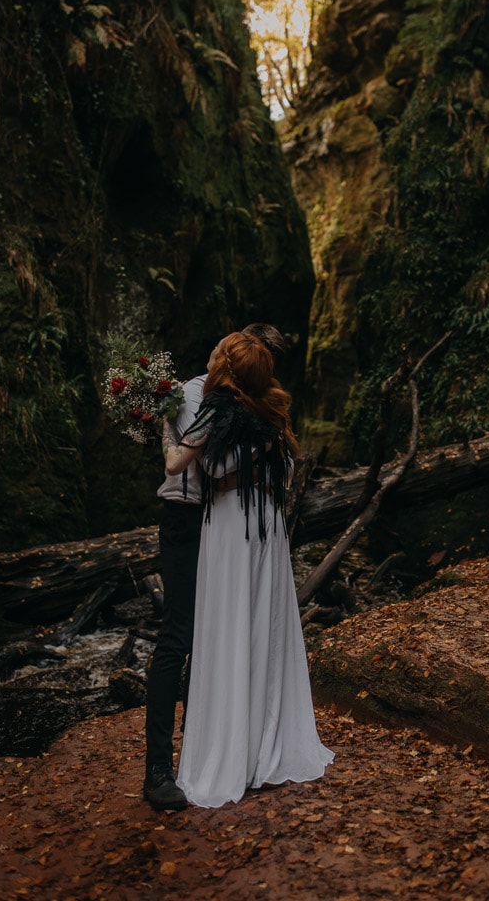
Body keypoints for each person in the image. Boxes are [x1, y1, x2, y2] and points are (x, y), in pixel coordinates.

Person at [163, 331, 333, 807]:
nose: (212, 352)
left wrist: (164, 420)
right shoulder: (273, 411)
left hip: (234, 523)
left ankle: (233, 753)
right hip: (268, 525)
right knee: (264, 627)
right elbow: (289, 470)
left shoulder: (218, 408)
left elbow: (181, 465)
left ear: (230, 369)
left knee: (231, 626)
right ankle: (265, 743)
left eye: (219, 351)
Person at [143, 323, 287, 811]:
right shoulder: (184, 394)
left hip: (230, 525)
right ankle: (159, 769)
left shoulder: (250, 404)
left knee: (227, 635)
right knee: (179, 636)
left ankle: (221, 748)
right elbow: (181, 464)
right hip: (189, 521)